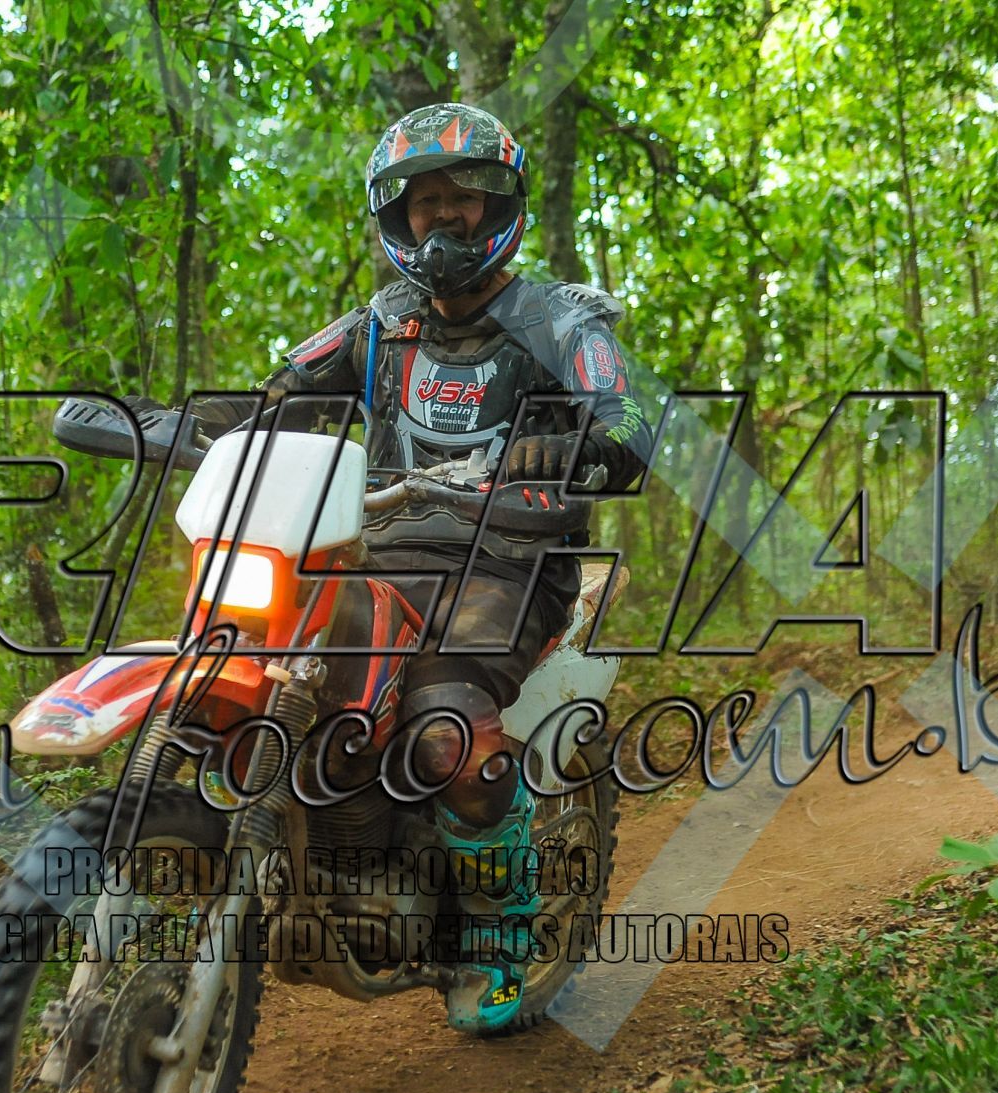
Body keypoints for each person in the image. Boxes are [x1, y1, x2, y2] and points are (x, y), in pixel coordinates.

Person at [167, 101, 654, 1031]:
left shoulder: (561, 320)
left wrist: (574, 445)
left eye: (461, 196)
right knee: (268, 675)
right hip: (379, 551)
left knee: (445, 733)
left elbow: (628, 420)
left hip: (510, 559)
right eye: (423, 202)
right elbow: (279, 391)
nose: (442, 217)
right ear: (399, 217)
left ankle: (500, 936)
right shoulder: (380, 323)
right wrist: (192, 424)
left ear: (497, 204)